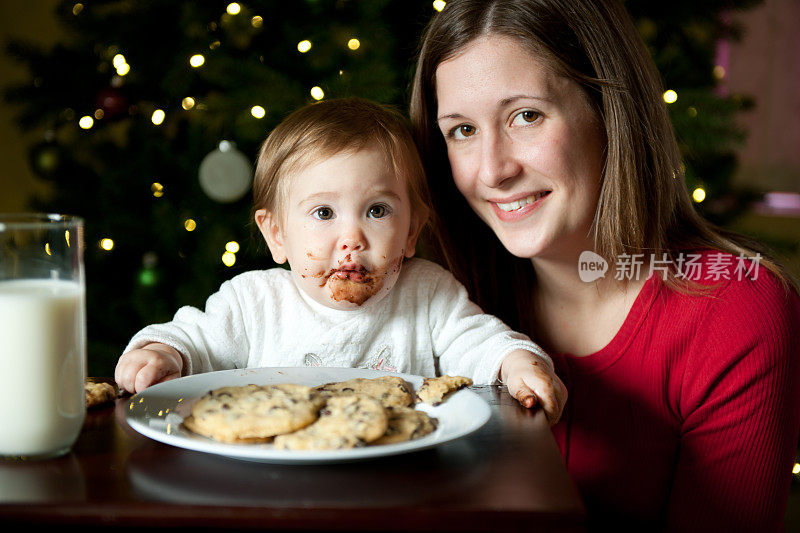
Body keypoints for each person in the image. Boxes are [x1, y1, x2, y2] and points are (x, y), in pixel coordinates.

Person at [409, 0, 800, 530]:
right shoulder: (441, 302)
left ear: (608, 113)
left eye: (526, 115)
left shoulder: (736, 310)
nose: (492, 171)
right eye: (462, 130)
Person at [115, 97, 567, 423]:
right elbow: (197, 339)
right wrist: (160, 353)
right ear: (277, 235)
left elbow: (476, 341)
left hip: (402, 478)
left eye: (377, 211)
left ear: (411, 231)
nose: (351, 237)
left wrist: (514, 363)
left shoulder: (428, 293)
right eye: (323, 213)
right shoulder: (254, 303)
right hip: (275, 479)